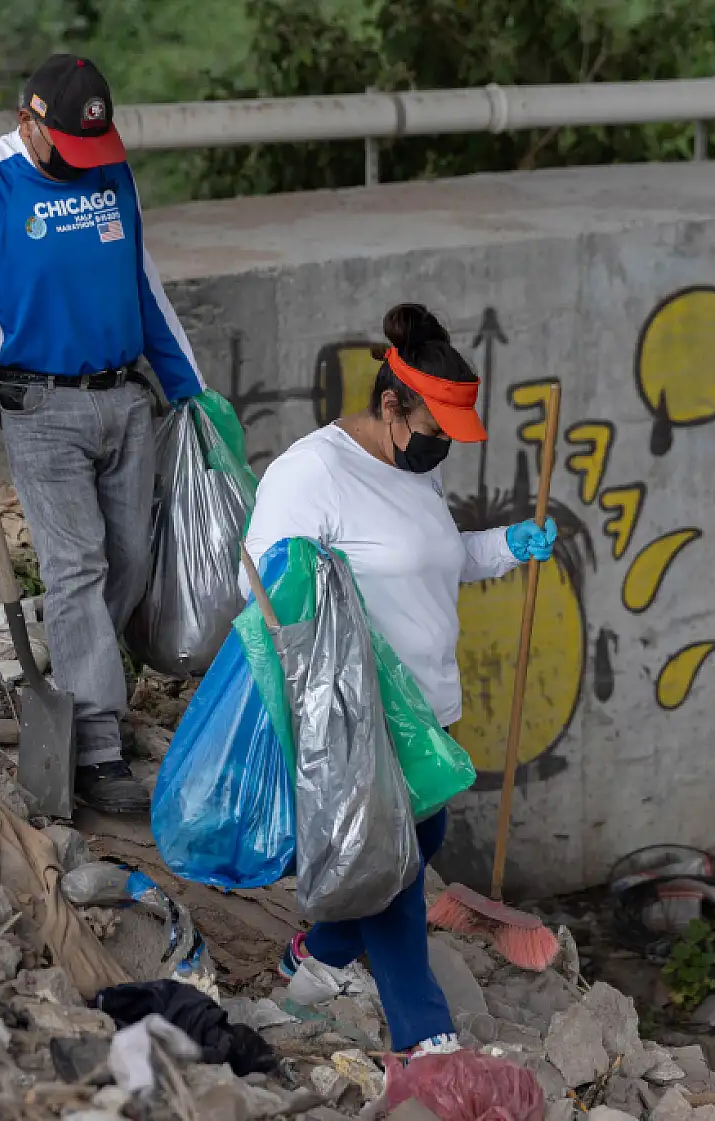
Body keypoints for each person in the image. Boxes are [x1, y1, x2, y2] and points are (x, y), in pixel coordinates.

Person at [241, 303, 557, 1059]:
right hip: (361, 719)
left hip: (428, 716)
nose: (444, 446)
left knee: (426, 833)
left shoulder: (415, 469)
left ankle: (313, 958)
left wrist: (506, 546)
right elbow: (253, 585)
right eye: (435, 429)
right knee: (392, 872)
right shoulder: (313, 472)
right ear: (391, 404)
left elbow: (435, 558)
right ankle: (427, 1036)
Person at [0, 54, 204, 814]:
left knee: (128, 560)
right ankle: (100, 742)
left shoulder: (110, 172)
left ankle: (72, 689)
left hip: (124, 398)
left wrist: (192, 391)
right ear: (27, 124)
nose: (84, 165)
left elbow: (144, 285)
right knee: (76, 567)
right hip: (38, 405)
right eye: (67, 147)